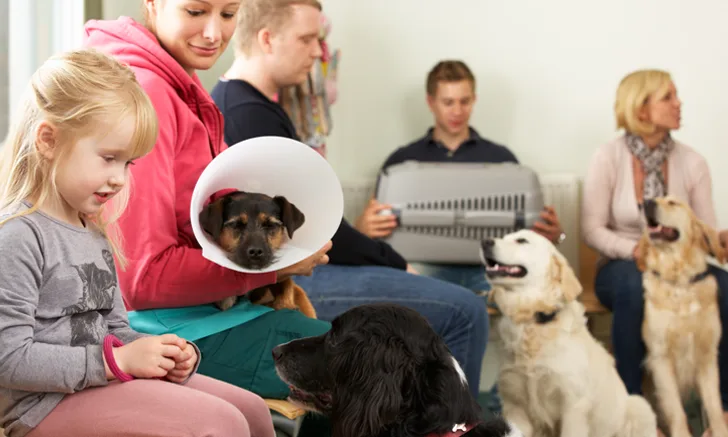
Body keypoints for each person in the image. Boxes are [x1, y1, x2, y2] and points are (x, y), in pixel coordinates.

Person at [211, 0, 488, 400]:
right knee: (466, 312)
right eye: (307, 39)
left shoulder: (247, 106)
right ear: (267, 39)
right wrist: (396, 263)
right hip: (299, 274)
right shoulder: (249, 116)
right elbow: (325, 232)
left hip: (305, 263)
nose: (318, 52)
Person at [0, 49, 275, 437]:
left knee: (250, 411)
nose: (119, 179)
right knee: (222, 423)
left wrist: (161, 351)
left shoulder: (93, 231)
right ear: (48, 139)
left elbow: (113, 328)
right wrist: (118, 361)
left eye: (128, 164)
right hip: (42, 406)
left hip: (100, 380)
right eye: (109, 158)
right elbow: (8, 359)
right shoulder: (18, 236)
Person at [82, 0, 332, 406]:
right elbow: (140, 280)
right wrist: (272, 268)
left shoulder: (184, 88)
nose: (214, 33)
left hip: (203, 314)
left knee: (362, 355)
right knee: (371, 368)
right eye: (196, 12)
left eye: (229, 14)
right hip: (160, 330)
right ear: (153, 6)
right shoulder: (149, 96)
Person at [582, 68, 728, 437]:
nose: (679, 104)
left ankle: (722, 411)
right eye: (669, 97)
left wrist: (719, 240)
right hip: (620, 263)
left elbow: (703, 226)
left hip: (677, 264)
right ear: (641, 108)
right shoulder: (607, 157)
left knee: (725, 287)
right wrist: (636, 250)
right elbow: (592, 229)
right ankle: (633, 411)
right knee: (634, 287)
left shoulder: (692, 162)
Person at [357, 60, 565, 295]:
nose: (457, 111)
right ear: (430, 102)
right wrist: (362, 228)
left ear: (474, 100)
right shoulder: (400, 163)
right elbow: (374, 232)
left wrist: (555, 236)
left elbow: (524, 239)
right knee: (406, 292)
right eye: (448, 102)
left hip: (490, 269)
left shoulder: (502, 159)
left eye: (464, 101)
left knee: (531, 293)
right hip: (424, 268)